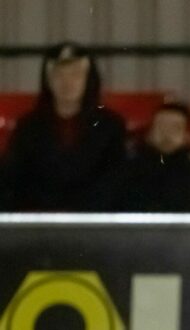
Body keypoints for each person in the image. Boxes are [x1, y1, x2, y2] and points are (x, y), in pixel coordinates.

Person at [0, 41, 126, 211]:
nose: (67, 82)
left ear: (88, 80)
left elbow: (116, 180)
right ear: (48, 81)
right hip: (40, 224)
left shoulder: (110, 126)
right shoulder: (28, 127)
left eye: (75, 75)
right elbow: (14, 179)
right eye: (59, 75)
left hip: (94, 223)